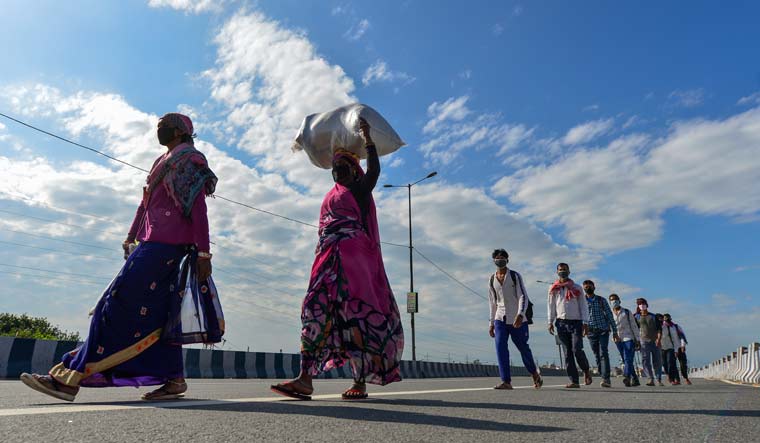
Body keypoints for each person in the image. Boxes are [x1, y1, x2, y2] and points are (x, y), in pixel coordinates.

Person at [20, 113, 218, 401]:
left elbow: (198, 208)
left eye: (164, 126)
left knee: (113, 306)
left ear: (179, 132)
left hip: (164, 247)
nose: (159, 129)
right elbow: (145, 203)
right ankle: (174, 379)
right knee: (159, 316)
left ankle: (68, 377)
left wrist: (203, 252)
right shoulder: (161, 161)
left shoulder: (189, 159)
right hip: (150, 244)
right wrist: (131, 236)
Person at [271, 118, 403, 401]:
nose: (337, 172)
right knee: (314, 311)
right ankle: (305, 379)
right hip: (326, 260)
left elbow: (375, 170)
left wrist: (367, 137)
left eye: (343, 166)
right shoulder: (331, 196)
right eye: (334, 168)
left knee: (355, 317)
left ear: (354, 171)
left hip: (354, 263)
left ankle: (360, 381)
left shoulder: (358, 189)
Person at [487, 249, 543, 390]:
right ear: (494, 261)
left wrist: (520, 314)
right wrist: (491, 323)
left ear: (507, 260)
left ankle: (534, 373)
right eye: (497, 258)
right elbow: (492, 303)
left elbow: (523, 296)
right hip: (500, 318)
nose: (500, 260)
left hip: (517, 319)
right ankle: (506, 381)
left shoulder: (514, 276)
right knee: (500, 347)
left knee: (523, 348)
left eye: (502, 258)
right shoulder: (492, 279)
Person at [548, 263, 592, 388]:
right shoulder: (554, 288)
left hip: (576, 322)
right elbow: (550, 306)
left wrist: (585, 323)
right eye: (560, 270)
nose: (563, 272)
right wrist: (550, 321)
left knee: (577, 349)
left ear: (569, 271)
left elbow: (583, 306)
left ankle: (586, 370)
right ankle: (574, 381)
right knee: (567, 353)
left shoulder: (577, 288)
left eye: (565, 270)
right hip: (561, 323)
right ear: (557, 272)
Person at [583, 280, 619, 388]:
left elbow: (609, 316)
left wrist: (615, 332)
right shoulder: (581, 301)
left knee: (603, 352)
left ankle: (606, 378)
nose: (588, 288)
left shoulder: (601, 300)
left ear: (594, 287)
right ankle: (601, 371)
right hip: (591, 332)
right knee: (596, 354)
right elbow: (580, 316)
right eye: (585, 287)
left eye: (590, 286)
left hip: (603, 330)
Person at [608, 294, 640, 387]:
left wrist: (637, 339)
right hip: (617, 339)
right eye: (611, 300)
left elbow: (634, 326)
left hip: (628, 337)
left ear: (619, 301)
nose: (614, 301)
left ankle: (626, 376)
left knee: (627, 358)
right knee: (626, 360)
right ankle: (635, 378)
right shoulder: (609, 313)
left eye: (615, 300)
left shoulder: (626, 312)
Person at [635, 298, 663, 386]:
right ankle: (650, 379)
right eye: (640, 304)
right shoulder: (636, 317)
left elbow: (659, 329)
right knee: (645, 361)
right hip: (643, 342)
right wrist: (637, 342)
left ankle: (658, 379)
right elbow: (635, 329)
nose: (642, 305)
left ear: (647, 305)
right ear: (638, 306)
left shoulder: (654, 316)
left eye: (643, 303)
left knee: (657, 361)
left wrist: (658, 339)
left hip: (655, 342)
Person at [661, 313, 683, 385]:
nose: (666, 321)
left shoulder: (673, 327)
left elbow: (675, 340)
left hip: (671, 347)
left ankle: (673, 379)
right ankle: (671, 376)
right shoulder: (660, 327)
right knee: (665, 364)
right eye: (665, 320)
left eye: (668, 319)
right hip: (662, 348)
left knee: (671, 363)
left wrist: (676, 350)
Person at [671, 316, 692, 385]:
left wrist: (683, 345)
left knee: (683, 364)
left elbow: (682, 336)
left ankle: (686, 378)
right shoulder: (664, 328)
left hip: (680, 348)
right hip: (671, 349)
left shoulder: (676, 327)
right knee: (673, 365)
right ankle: (677, 380)